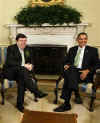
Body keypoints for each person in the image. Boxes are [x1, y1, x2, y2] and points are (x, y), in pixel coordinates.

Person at [54, 32, 99, 112]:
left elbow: (98, 64)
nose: (83, 41)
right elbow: (65, 61)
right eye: (81, 39)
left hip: (84, 74)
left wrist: (87, 71)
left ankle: (67, 103)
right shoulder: (72, 49)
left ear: (87, 40)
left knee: (69, 76)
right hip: (73, 71)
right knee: (71, 70)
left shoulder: (93, 50)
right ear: (77, 40)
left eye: (85, 39)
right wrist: (66, 65)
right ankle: (75, 93)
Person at [3, 33, 47, 112]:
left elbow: (31, 60)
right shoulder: (11, 48)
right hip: (11, 72)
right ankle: (36, 91)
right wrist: (24, 65)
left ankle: (20, 105)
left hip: (22, 73)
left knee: (22, 80)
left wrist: (31, 65)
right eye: (21, 41)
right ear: (16, 41)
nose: (23, 42)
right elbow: (9, 62)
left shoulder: (28, 48)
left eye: (25, 41)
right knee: (23, 70)